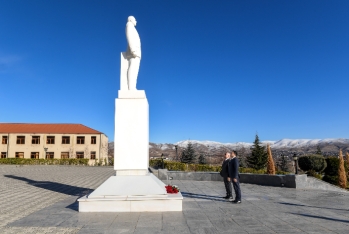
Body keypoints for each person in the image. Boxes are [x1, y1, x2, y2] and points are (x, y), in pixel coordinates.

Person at [125, 16, 141, 90]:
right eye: (135, 19)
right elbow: (130, 37)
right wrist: (133, 50)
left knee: (135, 70)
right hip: (134, 52)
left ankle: (133, 87)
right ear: (131, 20)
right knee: (133, 68)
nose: (136, 21)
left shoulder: (132, 27)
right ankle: (131, 87)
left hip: (136, 53)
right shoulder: (129, 25)